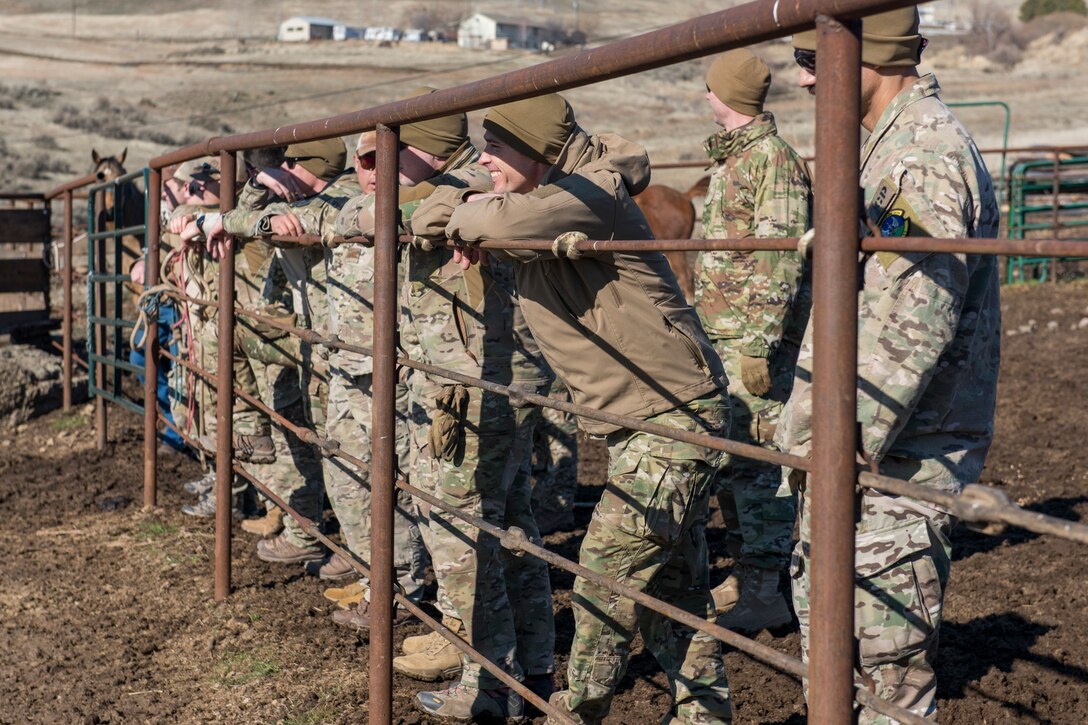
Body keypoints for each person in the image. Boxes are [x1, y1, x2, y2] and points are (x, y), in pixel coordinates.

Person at [412, 92, 734, 725]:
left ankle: (576, 709)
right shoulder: (542, 195)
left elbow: (494, 225)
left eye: (497, 148)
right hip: (638, 418)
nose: (484, 159)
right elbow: (430, 217)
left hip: (673, 418)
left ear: (538, 150)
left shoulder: (587, 197)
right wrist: (486, 186)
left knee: (603, 576)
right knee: (673, 591)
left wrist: (483, 207)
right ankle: (704, 715)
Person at [783, 8, 1001, 721]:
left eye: (815, 60)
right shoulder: (885, 144)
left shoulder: (922, 153)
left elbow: (909, 326)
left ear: (866, 56)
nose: (805, 77)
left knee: (884, 684)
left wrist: (825, 443)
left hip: (891, 463)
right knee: (839, 665)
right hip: (866, 459)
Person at [336, 89, 557, 721]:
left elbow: (381, 214)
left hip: (470, 390)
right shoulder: (459, 190)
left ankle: (490, 682)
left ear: (425, 150)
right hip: (486, 383)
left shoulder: (459, 191)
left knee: (459, 530)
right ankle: (531, 664)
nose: (378, 168)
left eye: (391, 153)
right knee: (509, 523)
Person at [691, 49, 812, 632]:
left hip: (749, 345)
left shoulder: (772, 161)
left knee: (762, 467)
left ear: (728, 95)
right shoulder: (737, 160)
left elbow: (779, 257)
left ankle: (767, 587)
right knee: (736, 464)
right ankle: (745, 576)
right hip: (725, 339)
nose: (704, 96)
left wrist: (760, 344)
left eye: (709, 88)